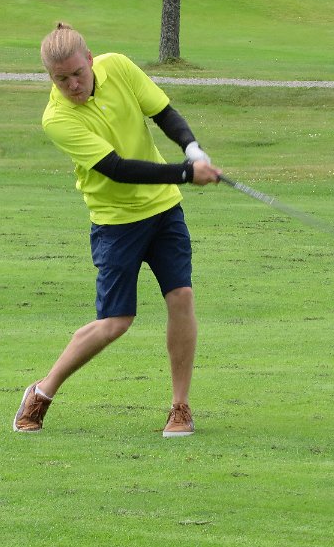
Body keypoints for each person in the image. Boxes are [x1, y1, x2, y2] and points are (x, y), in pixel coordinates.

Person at [13, 23, 222, 437]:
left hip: (163, 210)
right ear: (50, 77)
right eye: (61, 79)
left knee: (181, 296)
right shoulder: (57, 118)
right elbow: (117, 169)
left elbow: (163, 112)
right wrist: (186, 173)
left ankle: (180, 407)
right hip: (115, 222)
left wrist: (192, 149)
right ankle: (42, 391)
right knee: (115, 321)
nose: (73, 85)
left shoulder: (119, 67)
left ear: (90, 60)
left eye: (78, 73)